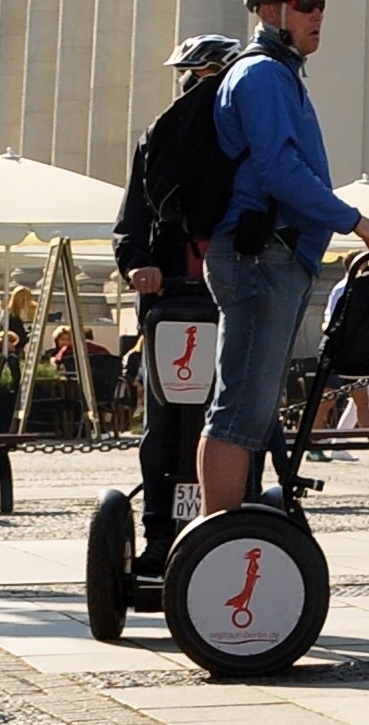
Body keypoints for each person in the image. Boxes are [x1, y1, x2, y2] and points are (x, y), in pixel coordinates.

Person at [203, 0, 369, 515]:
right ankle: (219, 538)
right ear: (270, 11)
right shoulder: (262, 74)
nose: (318, 16)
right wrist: (353, 219)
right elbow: (280, 170)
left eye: (321, 5)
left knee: (250, 408)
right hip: (261, 255)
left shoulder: (277, 72)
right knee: (240, 408)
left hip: (274, 254)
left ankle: (226, 532)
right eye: (306, 5)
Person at [114, 31, 241, 568]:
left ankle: (237, 522)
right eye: (193, 77)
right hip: (170, 304)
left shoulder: (246, 139)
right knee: (163, 423)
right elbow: (131, 222)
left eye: (209, 77)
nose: (197, 87)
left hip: (233, 303)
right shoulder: (157, 140)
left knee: (238, 417)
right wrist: (138, 266)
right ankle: (158, 532)